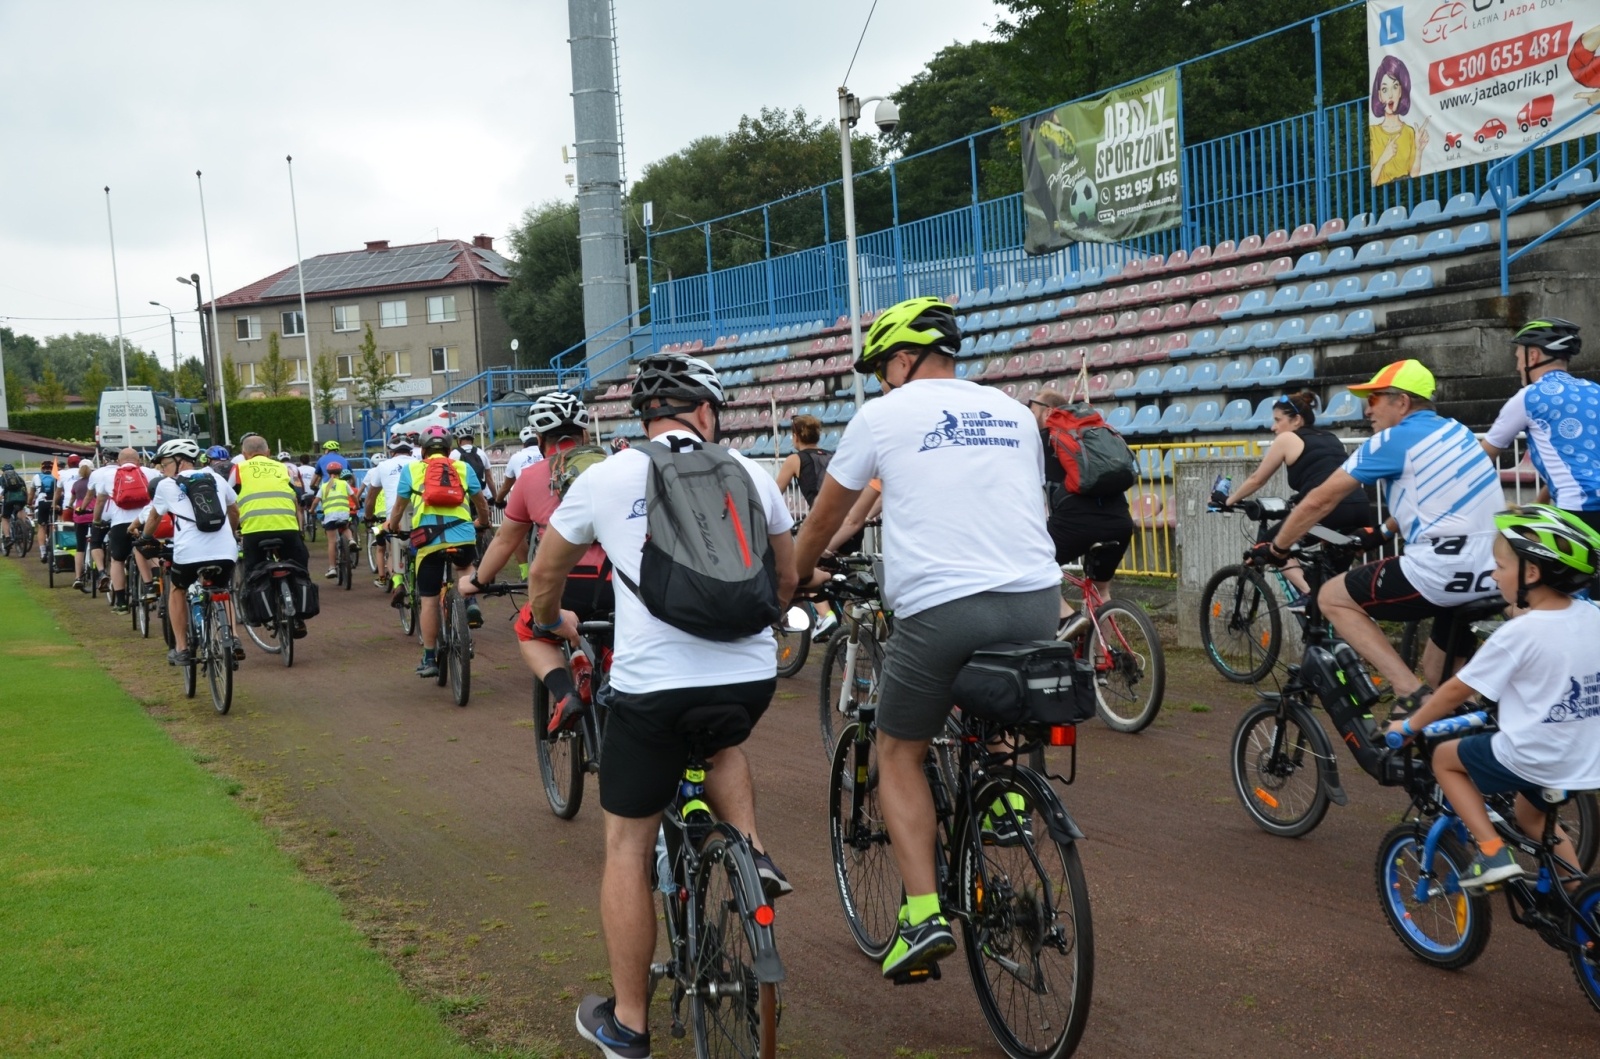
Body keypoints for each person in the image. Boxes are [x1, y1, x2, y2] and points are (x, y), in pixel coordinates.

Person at [525, 354, 795, 1058]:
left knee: (627, 846)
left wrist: (551, 620)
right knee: (721, 740)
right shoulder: (749, 470)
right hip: (747, 679)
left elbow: (544, 575)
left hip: (653, 689)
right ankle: (755, 852)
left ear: (646, 417)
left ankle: (630, 1026)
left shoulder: (605, 476)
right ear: (705, 412)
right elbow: (785, 573)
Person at [792, 297, 1061, 980]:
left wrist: (795, 574)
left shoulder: (882, 414)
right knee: (992, 691)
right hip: (1037, 598)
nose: (883, 380)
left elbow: (824, 520)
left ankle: (920, 916)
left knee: (897, 749)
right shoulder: (1013, 411)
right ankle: (1003, 796)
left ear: (904, 359)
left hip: (945, 607)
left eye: (885, 367)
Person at [1258, 360, 1501, 712]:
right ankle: (1479, 740)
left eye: (1373, 399)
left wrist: (1278, 548)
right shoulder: (1457, 432)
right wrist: (1383, 531)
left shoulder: (1391, 440)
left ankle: (1407, 693)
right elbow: (1441, 501)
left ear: (1401, 402)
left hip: (1438, 573)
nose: (1367, 408)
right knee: (1439, 673)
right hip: (1489, 572)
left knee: (1331, 597)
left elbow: (1320, 500)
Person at [1384, 505, 1600, 889]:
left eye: (1499, 566)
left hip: (1536, 756)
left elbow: (1455, 690)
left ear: (1531, 574)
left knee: (1446, 759)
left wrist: (1411, 724)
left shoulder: (1521, 633)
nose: (1493, 573)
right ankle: (1580, 905)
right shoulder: (1593, 615)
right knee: (1531, 817)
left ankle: (1491, 853)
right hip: (1584, 756)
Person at [461, 391, 611, 733]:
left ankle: (563, 696)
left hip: (567, 587)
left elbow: (505, 540)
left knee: (531, 630)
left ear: (540, 440)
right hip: (617, 583)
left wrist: (479, 581)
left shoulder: (531, 477)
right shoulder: (618, 468)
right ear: (585, 436)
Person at [1224, 390, 1373, 597]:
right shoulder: (1330, 437)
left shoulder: (1287, 438)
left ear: (1296, 420)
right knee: (1332, 584)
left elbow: (1257, 479)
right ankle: (1328, 612)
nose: (1273, 427)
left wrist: (1230, 500)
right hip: (1359, 509)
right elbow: (1325, 474)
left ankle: (1307, 595)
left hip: (1329, 510)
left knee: (1271, 546)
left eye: (1278, 420)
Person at [384, 425, 490, 678]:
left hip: (428, 540)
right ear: (449, 448)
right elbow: (481, 503)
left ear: (422, 450)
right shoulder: (462, 468)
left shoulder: (412, 470)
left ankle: (429, 657)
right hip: (463, 534)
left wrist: (394, 527)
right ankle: (471, 601)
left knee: (429, 600)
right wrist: (483, 523)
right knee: (465, 567)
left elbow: (399, 508)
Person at [1030, 388, 1135, 636]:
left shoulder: (1046, 440)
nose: (1028, 413)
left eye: (1032, 408)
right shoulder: (1091, 436)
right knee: (1101, 590)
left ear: (1047, 413)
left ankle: (1067, 619)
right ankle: (1101, 662)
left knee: (1030, 563)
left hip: (1076, 524)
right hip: (1119, 521)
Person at [1481, 319, 1600, 535]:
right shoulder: (1594, 391)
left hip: (1577, 510)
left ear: (1533, 355)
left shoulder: (1528, 397)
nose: (1518, 367)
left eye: (1518, 358)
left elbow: (1482, 457)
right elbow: (1569, 465)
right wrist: (1538, 504)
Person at [138, 439, 242, 666]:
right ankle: (233, 638)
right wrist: (230, 536)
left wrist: (145, 538)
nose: (162, 469)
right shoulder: (216, 478)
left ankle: (182, 648)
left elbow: (154, 517)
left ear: (181, 461)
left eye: (165, 463)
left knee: (177, 589)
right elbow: (234, 511)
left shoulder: (166, 485)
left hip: (189, 553)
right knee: (222, 589)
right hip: (225, 551)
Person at [235, 435, 312, 635]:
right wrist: (297, 527)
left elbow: (230, 501)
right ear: (268, 453)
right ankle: (299, 614)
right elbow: (295, 498)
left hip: (254, 531)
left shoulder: (238, 470)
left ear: (244, 455)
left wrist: (235, 527)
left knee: (253, 571)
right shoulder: (283, 468)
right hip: (287, 528)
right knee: (299, 565)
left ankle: (258, 613)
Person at [90, 449, 160, 612]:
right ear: (138, 460)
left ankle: (121, 601)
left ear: (119, 461)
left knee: (117, 560)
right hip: (146, 520)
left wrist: (97, 521)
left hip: (120, 522)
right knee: (151, 551)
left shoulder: (109, 476)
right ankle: (155, 581)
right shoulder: (150, 472)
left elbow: (100, 501)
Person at [362, 436, 417, 589]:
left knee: (394, 552)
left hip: (394, 516)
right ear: (410, 451)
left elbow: (371, 498)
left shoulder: (383, 466)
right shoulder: (419, 463)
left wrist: (368, 516)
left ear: (391, 452)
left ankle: (398, 584)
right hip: (418, 512)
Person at [1369, 54, 1428, 186]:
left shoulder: (1409, 133)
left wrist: (1419, 151)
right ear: (1379, 95)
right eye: (1385, 89)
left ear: (1401, 91)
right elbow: (1372, 181)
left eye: (1395, 87)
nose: (1390, 94)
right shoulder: (1372, 133)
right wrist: (1383, 159)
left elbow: (1414, 175)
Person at [318, 459, 357, 578]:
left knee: (332, 541)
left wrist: (311, 510)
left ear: (328, 473)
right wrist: (358, 505)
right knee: (345, 528)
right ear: (340, 472)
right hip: (343, 514)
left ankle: (332, 568)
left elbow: (316, 501)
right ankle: (351, 540)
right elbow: (353, 496)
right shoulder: (344, 483)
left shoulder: (324, 486)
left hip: (330, 516)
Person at [65, 460, 97, 589]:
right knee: (98, 545)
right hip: (94, 514)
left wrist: (69, 506)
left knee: (80, 547)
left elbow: (72, 500)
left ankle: (78, 577)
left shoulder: (76, 484)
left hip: (80, 516)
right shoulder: (95, 482)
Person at [494, 425, 545, 507]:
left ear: (523, 443)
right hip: (548, 500)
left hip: (527, 501)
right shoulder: (547, 454)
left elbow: (506, 486)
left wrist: (498, 501)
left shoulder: (516, 457)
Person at [28, 459, 59, 560]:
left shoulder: (36, 477)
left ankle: (43, 552)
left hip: (42, 502)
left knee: (42, 526)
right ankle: (55, 547)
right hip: (55, 502)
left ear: (42, 468)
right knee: (54, 525)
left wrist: (29, 503)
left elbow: (31, 493)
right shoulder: (57, 475)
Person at [0, 463, 27, 550]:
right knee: (20, 509)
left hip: (9, 499)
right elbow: (25, 489)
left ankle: (8, 538)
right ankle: (23, 528)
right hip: (21, 498)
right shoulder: (18, 477)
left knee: (5, 518)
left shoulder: (2, 478)